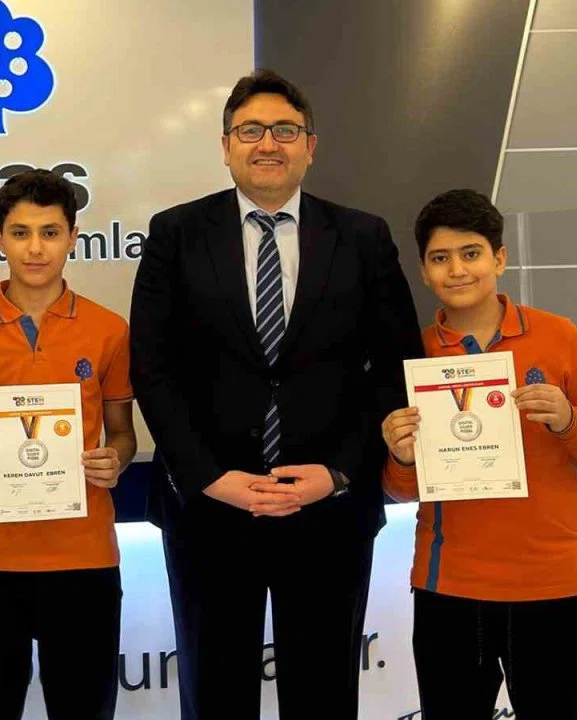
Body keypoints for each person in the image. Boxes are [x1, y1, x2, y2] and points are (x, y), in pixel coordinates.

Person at [128, 68, 423, 718]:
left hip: (328, 511)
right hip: (210, 510)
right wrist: (211, 477)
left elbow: (396, 367)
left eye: (285, 131)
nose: (268, 143)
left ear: (310, 146)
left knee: (323, 694)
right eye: (251, 130)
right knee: (215, 692)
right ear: (226, 145)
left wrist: (339, 472)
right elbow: (152, 368)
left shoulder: (363, 236)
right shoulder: (176, 233)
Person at [381, 188, 577, 719]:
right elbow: (400, 491)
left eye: (471, 253)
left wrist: (567, 418)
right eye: (440, 258)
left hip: (551, 584)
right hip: (450, 587)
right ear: (423, 271)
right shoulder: (413, 353)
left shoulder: (558, 336)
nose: (457, 270)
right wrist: (401, 456)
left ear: (499, 258)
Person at [0, 169, 137, 720]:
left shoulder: (108, 329)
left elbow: (123, 433)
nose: (35, 248)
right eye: (21, 232)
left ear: (73, 237)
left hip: (83, 557)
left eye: (50, 232)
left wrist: (115, 460)